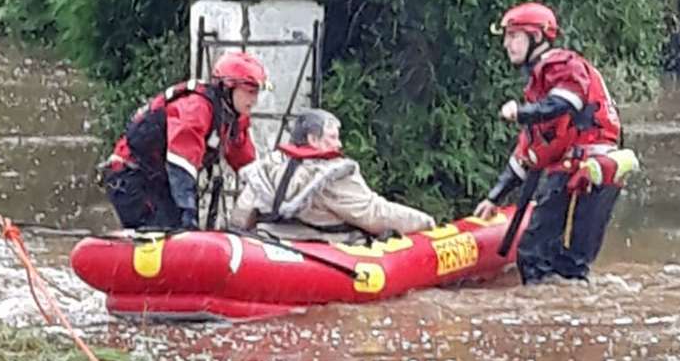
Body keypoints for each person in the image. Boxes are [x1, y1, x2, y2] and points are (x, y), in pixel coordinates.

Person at [473, 2, 638, 284]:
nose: (506, 44)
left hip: (583, 170)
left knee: (534, 255)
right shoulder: (543, 83)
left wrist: (520, 112)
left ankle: (542, 317)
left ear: (536, 37)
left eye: (514, 36)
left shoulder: (562, 66)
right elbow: (528, 155)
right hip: (594, 173)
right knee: (569, 266)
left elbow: (565, 103)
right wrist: (493, 198)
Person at [103, 50, 267, 231]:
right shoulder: (196, 108)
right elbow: (181, 163)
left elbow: (247, 166)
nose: (254, 100)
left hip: (160, 180)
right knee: (163, 232)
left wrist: (268, 200)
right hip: (132, 176)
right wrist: (187, 210)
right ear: (228, 87)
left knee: (176, 228)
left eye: (257, 93)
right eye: (250, 92)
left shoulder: (234, 120)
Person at [230, 108, 436, 241]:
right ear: (313, 139)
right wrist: (425, 222)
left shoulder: (268, 167)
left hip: (268, 242)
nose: (339, 144)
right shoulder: (334, 175)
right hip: (319, 253)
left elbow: (241, 216)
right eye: (333, 137)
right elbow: (374, 214)